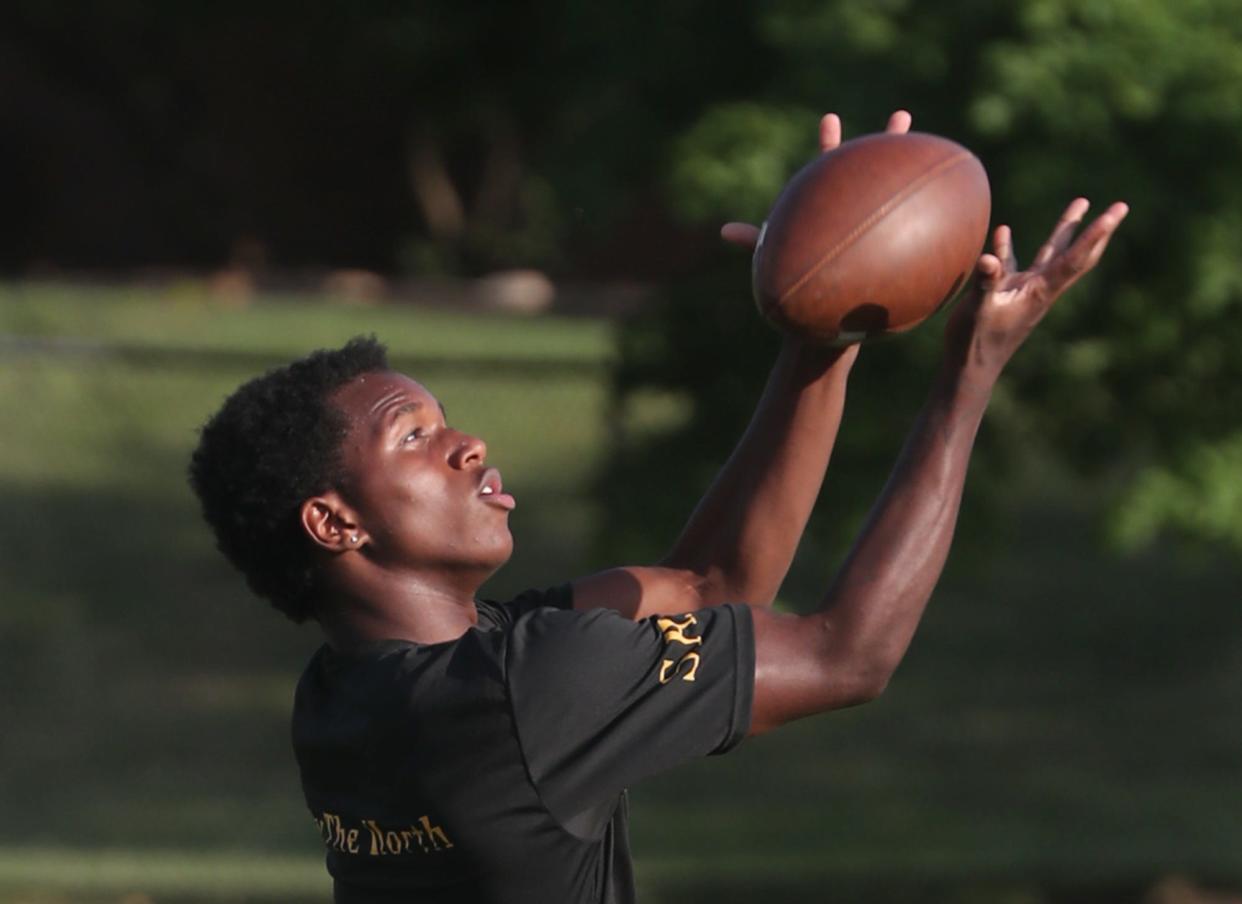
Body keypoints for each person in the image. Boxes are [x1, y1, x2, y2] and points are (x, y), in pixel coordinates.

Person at [188, 110, 1128, 904]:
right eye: (413, 437)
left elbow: (709, 585)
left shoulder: (341, 701)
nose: (465, 445)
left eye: (448, 423)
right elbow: (850, 655)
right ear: (334, 523)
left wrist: (823, 327)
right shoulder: (531, 689)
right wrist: (970, 374)